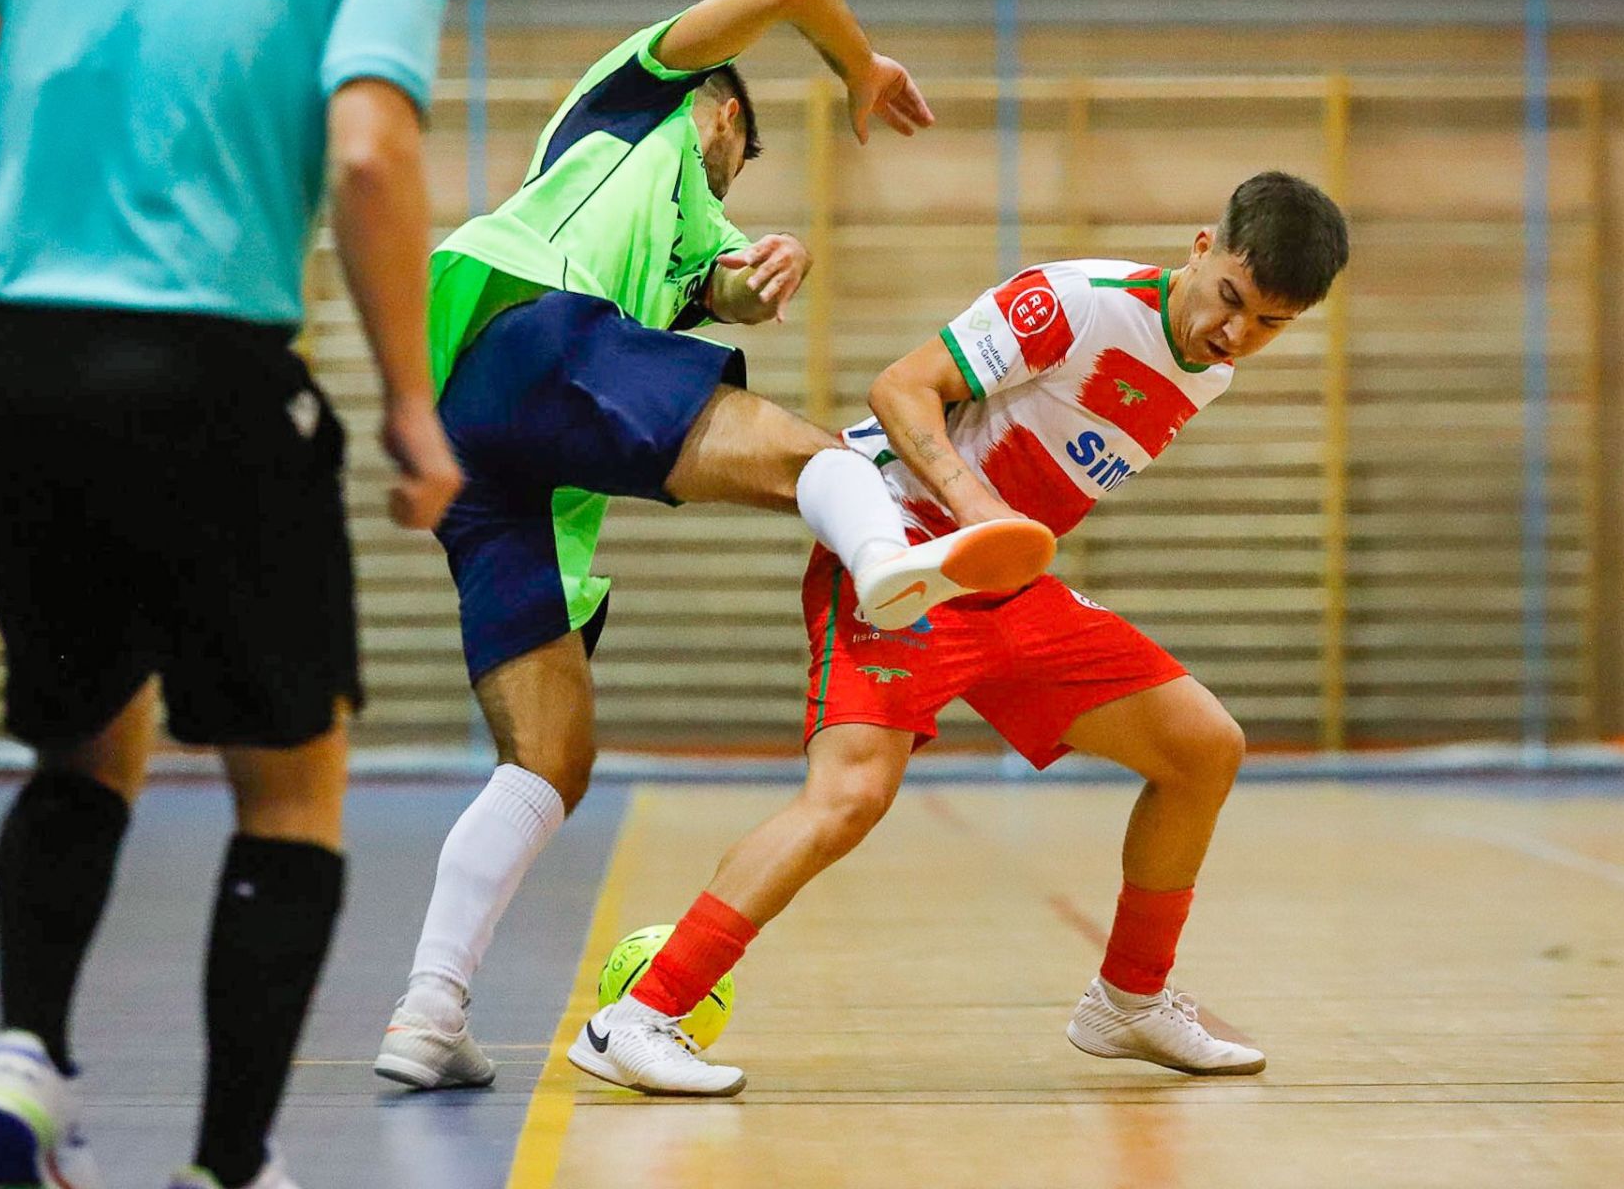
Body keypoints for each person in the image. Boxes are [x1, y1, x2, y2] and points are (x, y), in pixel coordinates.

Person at [373, 0, 1055, 1091]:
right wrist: (859, 64)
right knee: (823, 462)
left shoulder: (679, 243)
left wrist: (765, 269)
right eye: (741, 160)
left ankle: (426, 1013)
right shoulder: (634, 99)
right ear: (725, 113)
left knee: (549, 759)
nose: (735, 178)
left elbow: (723, 290)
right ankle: (889, 562)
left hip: (486, 440)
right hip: (527, 330)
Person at [0, 0, 460, 1185]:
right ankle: (228, 1163)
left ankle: (25, 1048)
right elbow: (366, 157)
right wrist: (413, 400)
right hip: (211, 376)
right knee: (292, 787)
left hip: (14, 369)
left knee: (84, 731)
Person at [568, 172, 1350, 1096]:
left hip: (1009, 590)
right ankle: (638, 1018)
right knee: (850, 796)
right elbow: (901, 390)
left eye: (1270, 325)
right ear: (1199, 247)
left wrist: (1002, 549)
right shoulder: (1073, 304)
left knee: (1203, 748)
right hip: (898, 558)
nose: (1236, 335)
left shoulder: (1209, 370)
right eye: (1232, 300)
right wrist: (978, 512)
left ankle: (1129, 1002)